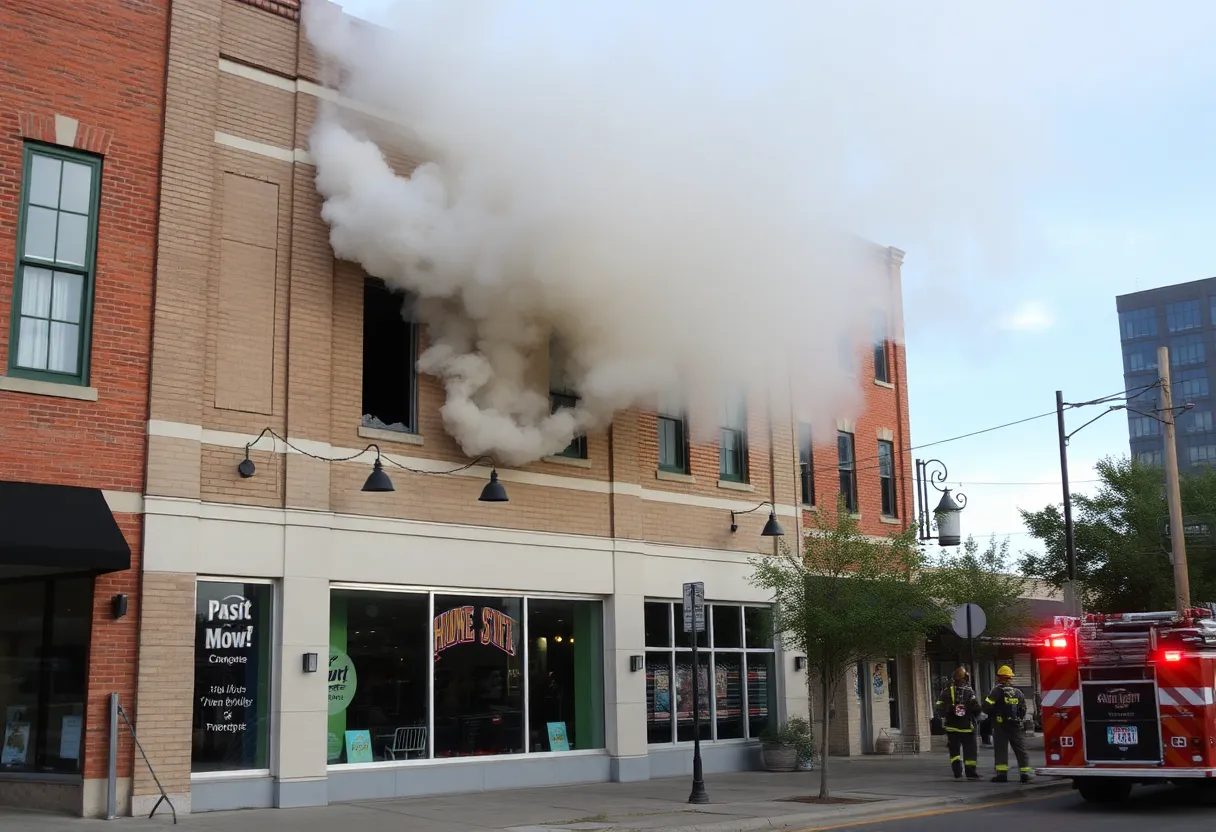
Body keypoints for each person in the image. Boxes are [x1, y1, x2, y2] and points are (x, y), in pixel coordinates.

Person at [984, 665, 1031, 783]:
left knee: (1001, 749)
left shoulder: (996, 691)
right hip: (1016, 725)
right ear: (1010, 678)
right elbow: (1023, 708)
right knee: (1021, 749)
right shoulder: (1018, 692)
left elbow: (986, 706)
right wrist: (1018, 718)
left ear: (999, 678)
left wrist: (995, 714)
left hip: (1001, 725)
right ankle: (1024, 773)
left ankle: (1002, 774)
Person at [934, 667, 981, 780]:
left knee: (954, 752)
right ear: (965, 678)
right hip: (967, 728)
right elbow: (976, 708)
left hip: (951, 728)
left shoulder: (945, 692)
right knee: (970, 751)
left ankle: (957, 772)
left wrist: (950, 709)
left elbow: (939, 708)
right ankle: (970, 772)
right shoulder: (969, 691)